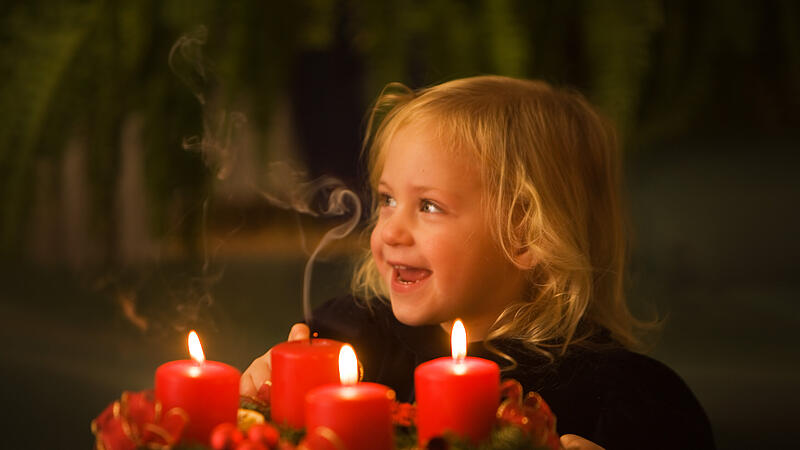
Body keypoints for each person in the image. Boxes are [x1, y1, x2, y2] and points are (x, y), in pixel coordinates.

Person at [241, 76, 715, 450]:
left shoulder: (620, 399)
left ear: (527, 234)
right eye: (386, 199)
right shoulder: (349, 341)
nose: (388, 232)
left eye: (428, 206)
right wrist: (264, 398)